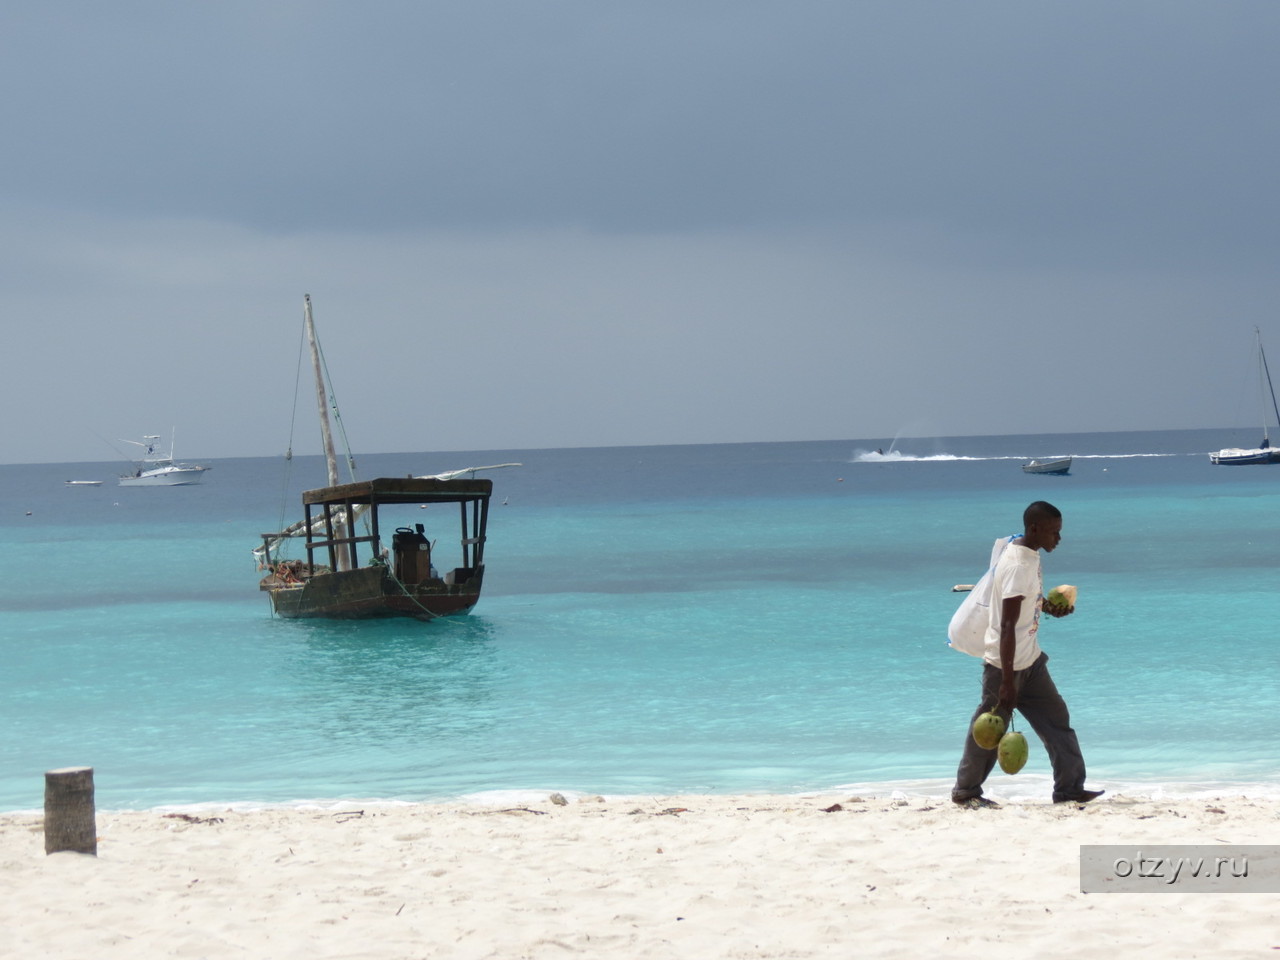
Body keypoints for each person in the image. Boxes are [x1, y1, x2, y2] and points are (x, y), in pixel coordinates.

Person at [951, 500, 1103, 808]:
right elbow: (1006, 626)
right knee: (989, 731)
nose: (1057, 539)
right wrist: (1007, 682)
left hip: (1031, 661)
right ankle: (966, 792)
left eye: (1059, 532)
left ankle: (1070, 790)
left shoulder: (1028, 554)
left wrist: (1049, 608)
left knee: (1057, 721)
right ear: (1034, 529)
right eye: (1053, 533)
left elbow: (1027, 600)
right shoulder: (1019, 564)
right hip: (1004, 665)